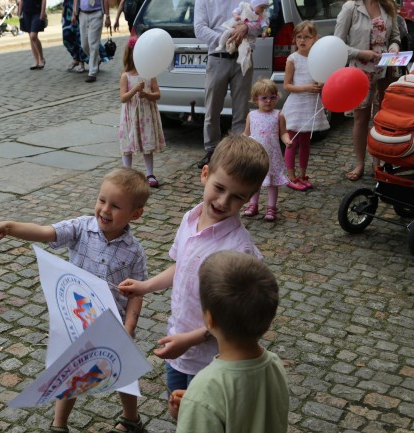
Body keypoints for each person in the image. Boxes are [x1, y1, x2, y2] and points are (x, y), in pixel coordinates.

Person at [0, 167, 150, 433]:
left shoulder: (135, 252)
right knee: (71, 372)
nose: (105, 210)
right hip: (77, 320)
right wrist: (9, 227)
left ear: (135, 214)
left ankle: (131, 419)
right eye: (101, 200)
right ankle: (59, 424)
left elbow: (137, 293)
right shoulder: (81, 228)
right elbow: (44, 232)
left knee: (123, 373)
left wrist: (129, 326)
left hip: (113, 325)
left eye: (115, 206)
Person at [119, 135, 269, 395]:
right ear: (205, 173)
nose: (223, 202)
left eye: (237, 197)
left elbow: (233, 319)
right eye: (219, 188)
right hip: (178, 347)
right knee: (179, 412)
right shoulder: (190, 219)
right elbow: (181, 267)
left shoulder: (238, 249)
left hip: (212, 360)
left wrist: (189, 341)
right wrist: (145, 286)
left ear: (250, 198)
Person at [168, 251, 289, 433]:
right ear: (269, 321)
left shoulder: (205, 387)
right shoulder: (274, 364)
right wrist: (198, 405)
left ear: (209, 320)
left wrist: (193, 409)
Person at [334, 0, 400, 181]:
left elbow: (395, 37)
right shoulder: (350, 8)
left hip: (386, 70)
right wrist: (359, 53)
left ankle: (377, 163)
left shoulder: (388, 6)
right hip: (361, 73)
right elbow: (337, 44)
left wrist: (394, 47)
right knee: (361, 118)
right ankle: (359, 163)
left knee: (381, 119)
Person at [194, 0, 263, 169]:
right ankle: (212, 151)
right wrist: (226, 38)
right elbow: (199, 28)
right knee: (212, 108)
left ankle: (238, 153)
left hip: (244, 57)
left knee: (241, 109)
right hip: (218, 57)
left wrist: (246, 28)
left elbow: (261, 23)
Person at [282, 20, 330, 191]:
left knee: (306, 143)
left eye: (307, 37)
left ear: (315, 39)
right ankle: (291, 176)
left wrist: (320, 85)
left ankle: (302, 175)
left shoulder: (317, 58)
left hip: (310, 105)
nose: (302, 41)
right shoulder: (292, 59)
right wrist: (306, 88)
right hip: (297, 105)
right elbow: (287, 85)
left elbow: (323, 76)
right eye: (299, 37)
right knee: (292, 142)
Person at [119, 37, 166, 188]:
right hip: (131, 116)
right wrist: (134, 90)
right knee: (128, 144)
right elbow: (123, 98)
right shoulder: (125, 76)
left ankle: (150, 173)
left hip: (145, 115)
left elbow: (157, 94)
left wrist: (147, 95)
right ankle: (127, 172)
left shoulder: (149, 74)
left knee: (147, 143)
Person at [242, 79, 291, 222]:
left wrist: (287, 140)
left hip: (272, 155)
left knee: (271, 183)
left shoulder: (278, 115)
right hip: (256, 155)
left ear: (276, 97)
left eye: (272, 97)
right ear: (256, 99)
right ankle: (253, 204)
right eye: (264, 98)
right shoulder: (251, 116)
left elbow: (283, 133)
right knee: (255, 181)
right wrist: (240, 142)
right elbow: (246, 133)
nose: (268, 101)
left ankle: (271, 207)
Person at [71, 0, 111, 82]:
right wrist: (74, 14)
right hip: (82, 14)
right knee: (84, 45)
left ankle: (92, 73)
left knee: (93, 44)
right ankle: (97, 59)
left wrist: (107, 16)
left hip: (96, 14)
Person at [20, 0, 47, 70]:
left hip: (37, 12)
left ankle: (41, 58)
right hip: (26, 13)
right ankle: (36, 61)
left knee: (33, 36)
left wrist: (42, 12)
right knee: (31, 37)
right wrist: (19, 12)